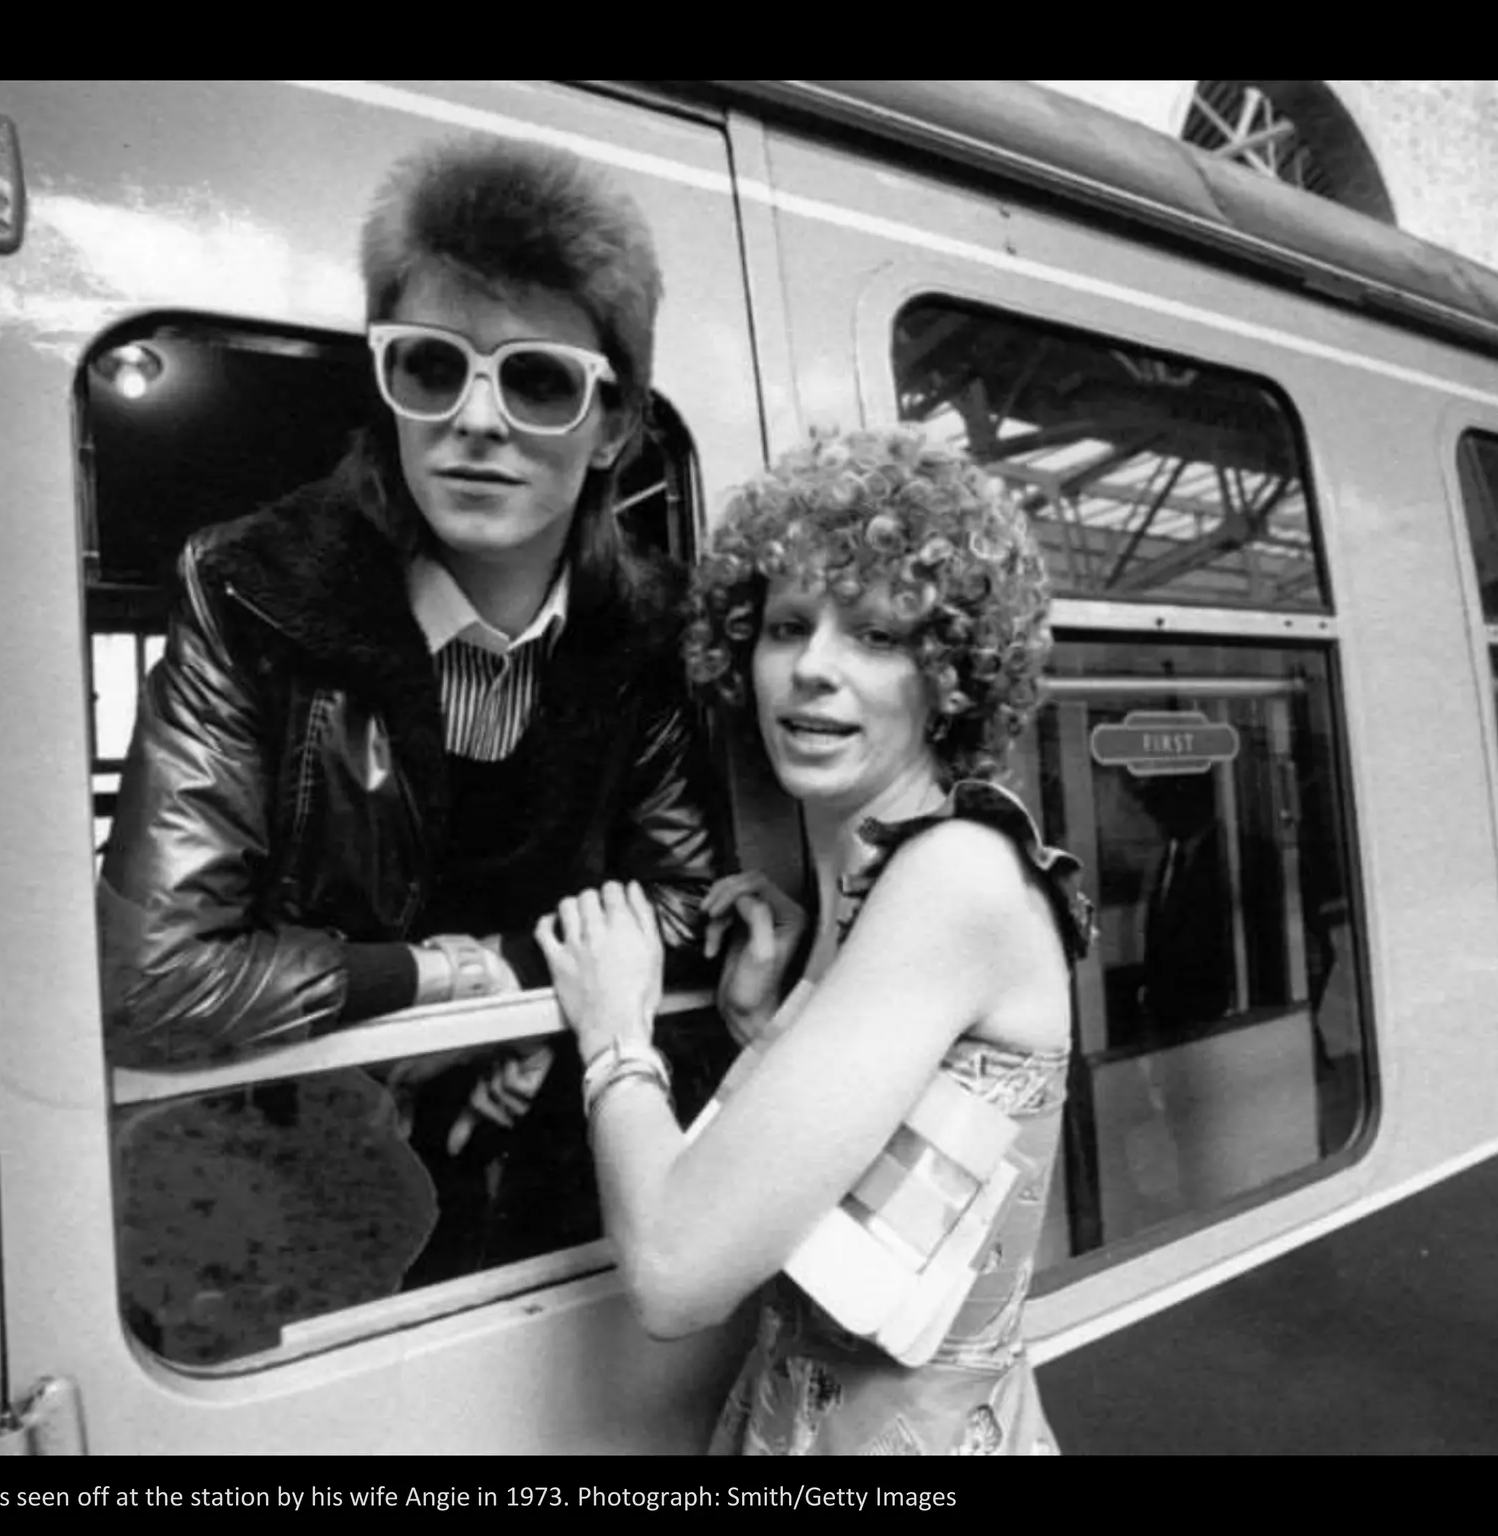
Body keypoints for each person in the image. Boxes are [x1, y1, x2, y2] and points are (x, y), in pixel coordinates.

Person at [97, 135, 720, 1363]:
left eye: (537, 382)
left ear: (612, 427)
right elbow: (156, 983)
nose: (475, 422)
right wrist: (440, 980)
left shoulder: (646, 634)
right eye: (431, 367)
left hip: (550, 1180)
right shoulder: (255, 594)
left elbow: (689, 903)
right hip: (297, 1172)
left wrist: (522, 994)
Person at [536, 427, 1092, 1455]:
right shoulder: (873, 888)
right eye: (786, 626)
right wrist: (765, 1027)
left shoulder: (953, 877)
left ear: (951, 674)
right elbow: (878, 1170)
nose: (811, 669)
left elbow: (674, 1274)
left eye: (876, 636)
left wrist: (616, 1038)